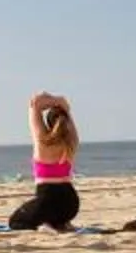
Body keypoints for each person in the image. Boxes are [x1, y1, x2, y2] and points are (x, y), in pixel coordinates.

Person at [8, 95, 82, 231]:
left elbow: (35, 104)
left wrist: (56, 100)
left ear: (48, 122)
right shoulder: (72, 141)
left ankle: (49, 224)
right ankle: (59, 223)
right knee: (49, 213)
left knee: (15, 222)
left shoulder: (42, 140)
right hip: (70, 205)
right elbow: (65, 109)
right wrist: (62, 105)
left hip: (47, 202)